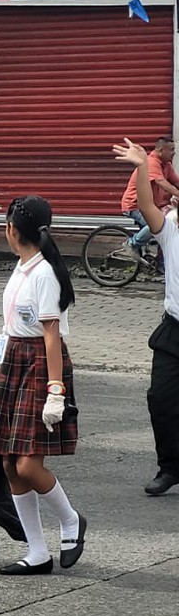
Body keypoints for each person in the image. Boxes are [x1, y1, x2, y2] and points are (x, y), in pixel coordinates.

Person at [0, 195, 85, 575]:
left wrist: (55, 390)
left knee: (27, 464)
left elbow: (51, 336)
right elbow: (12, 325)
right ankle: (37, 552)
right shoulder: (23, 266)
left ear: (12, 229)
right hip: (14, 361)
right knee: (10, 462)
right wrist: (0, 364)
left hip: (40, 365)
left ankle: (71, 520)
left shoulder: (44, 272)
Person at [114, 138, 179, 496]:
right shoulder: (171, 231)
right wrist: (141, 168)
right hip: (174, 329)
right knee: (161, 399)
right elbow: (145, 204)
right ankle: (170, 468)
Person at [119, 136, 178, 260]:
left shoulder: (166, 164)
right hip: (134, 205)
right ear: (161, 150)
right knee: (159, 225)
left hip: (152, 205)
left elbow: (176, 181)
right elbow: (162, 182)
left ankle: (161, 265)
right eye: (171, 150)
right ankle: (132, 244)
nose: (174, 153)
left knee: (167, 231)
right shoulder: (151, 162)